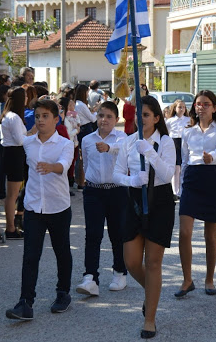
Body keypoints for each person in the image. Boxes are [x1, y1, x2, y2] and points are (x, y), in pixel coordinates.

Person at [113, 95, 175, 339]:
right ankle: (152, 294)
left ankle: (150, 318)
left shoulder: (166, 142)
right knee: (130, 261)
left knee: (153, 263)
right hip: (135, 199)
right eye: (138, 114)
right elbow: (117, 173)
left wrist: (150, 152)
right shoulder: (127, 141)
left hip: (160, 200)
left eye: (146, 114)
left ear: (157, 118)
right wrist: (131, 180)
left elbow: (168, 174)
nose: (141, 118)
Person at [6, 99, 75, 321]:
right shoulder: (28, 143)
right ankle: (25, 302)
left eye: (45, 116)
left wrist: (51, 167)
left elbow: (64, 165)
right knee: (30, 256)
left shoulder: (65, 144)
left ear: (56, 119)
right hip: (34, 208)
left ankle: (63, 293)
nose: (40, 120)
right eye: (37, 116)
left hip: (58, 207)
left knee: (61, 251)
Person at [177, 90, 216, 299]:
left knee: (210, 235)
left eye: (206, 104)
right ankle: (187, 280)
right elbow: (184, 159)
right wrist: (181, 187)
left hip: (212, 177)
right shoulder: (187, 131)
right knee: (184, 232)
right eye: (198, 104)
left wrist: (212, 157)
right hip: (192, 179)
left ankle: (209, 278)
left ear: (214, 107)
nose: (201, 107)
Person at [75, 101, 129, 297]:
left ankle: (120, 272)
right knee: (93, 235)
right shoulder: (87, 140)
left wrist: (108, 148)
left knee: (117, 234)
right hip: (94, 191)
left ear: (116, 119)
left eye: (108, 116)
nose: (104, 120)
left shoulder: (123, 138)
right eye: (100, 115)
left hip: (117, 191)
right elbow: (86, 164)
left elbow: (122, 151)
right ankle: (90, 277)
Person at [0, 87, 36, 239]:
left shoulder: (11, 116)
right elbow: (20, 140)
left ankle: (12, 226)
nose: (27, 100)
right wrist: (32, 132)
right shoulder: (13, 117)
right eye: (25, 97)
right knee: (12, 194)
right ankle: (10, 228)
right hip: (14, 153)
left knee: (13, 193)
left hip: (14, 153)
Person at [165, 99, 190, 194]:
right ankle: (175, 192)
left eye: (183, 107)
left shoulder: (188, 120)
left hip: (184, 143)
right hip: (174, 143)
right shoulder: (170, 121)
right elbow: (167, 133)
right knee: (176, 169)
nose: (182, 109)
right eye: (180, 107)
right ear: (175, 108)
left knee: (184, 167)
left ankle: (182, 190)